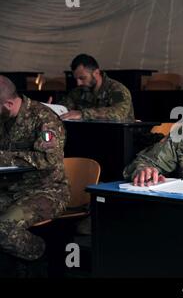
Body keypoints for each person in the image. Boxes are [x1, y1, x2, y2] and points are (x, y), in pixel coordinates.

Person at [0, 75, 70, 269]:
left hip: (45, 191)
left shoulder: (44, 119)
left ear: (8, 103)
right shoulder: (3, 116)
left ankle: (45, 256)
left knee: (4, 230)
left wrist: (3, 157)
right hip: (10, 188)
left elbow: (48, 159)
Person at [53, 53, 135, 121]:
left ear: (96, 73)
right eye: (76, 79)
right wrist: (51, 110)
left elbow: (118, 112)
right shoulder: (78, 92)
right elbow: (64, 109)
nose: (78, 83)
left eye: (82, 78)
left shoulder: (116, 90)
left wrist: (83, 114)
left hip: (120, 136)